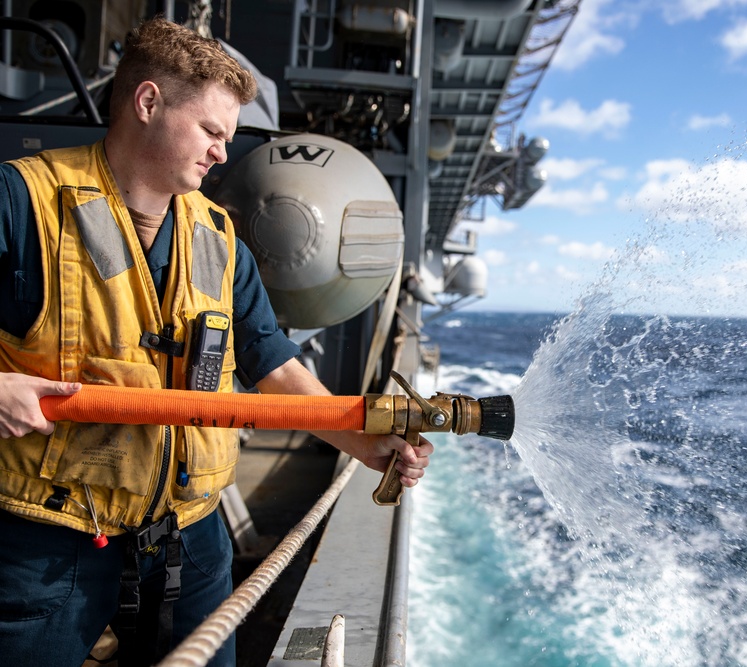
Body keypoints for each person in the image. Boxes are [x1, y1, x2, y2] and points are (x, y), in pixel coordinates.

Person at [0, 16, 432, 667]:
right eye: (211, 131)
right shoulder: (21, 199)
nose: (223, 153)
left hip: (191, 539)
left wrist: (362, 441)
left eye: (227, 137)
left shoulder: (221, 238)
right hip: (50, 542)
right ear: (148, 104)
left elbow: (274, 365)